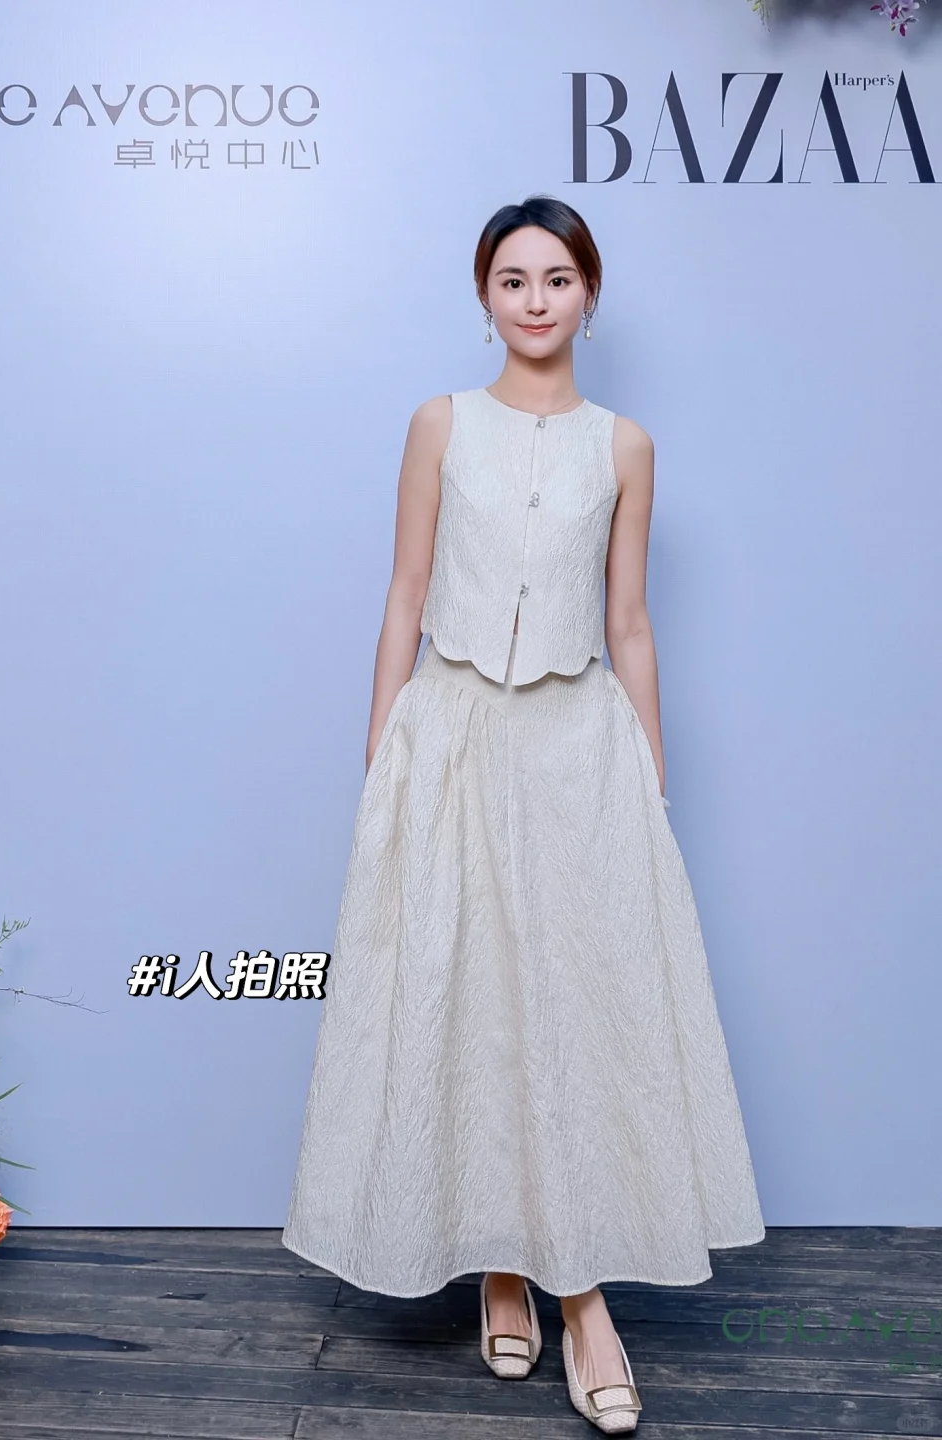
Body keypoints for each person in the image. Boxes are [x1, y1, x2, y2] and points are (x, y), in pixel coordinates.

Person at [282, 194, 765, 1432]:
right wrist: (383, 752)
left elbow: (629, 623)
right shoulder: (440, 424)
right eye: (513, 279)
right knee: (468, 1002)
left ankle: (584, 1300)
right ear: (485, 296)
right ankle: (503, 1265)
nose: (536, 298)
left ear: (588, 295)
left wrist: (648, 776)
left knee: (575, 1012)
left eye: (557, 278)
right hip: (451, 736)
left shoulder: (627, 446)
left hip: (576, 749)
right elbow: (404, 593)